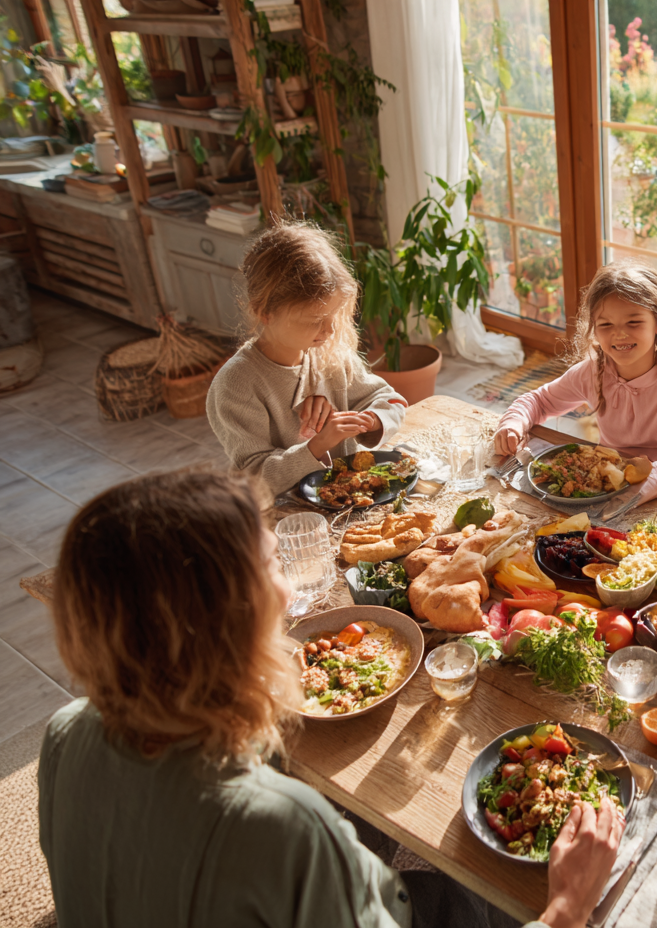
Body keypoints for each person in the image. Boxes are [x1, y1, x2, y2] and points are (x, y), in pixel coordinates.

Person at [39, 470, 624, 928]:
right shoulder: (283, 825)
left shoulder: (65, 732)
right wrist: (566, 909)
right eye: (273, 564)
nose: (293, 585)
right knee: (484, 881)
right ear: (229, 623)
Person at [207, 223, 406, 494]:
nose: (330, 330)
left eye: (334, 315)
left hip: (350, 501)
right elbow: (253, 480)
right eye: (314, 320)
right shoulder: (236, 384)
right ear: (265, 312)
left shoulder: (330, 351)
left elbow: (390, 400)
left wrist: (368, 419)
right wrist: (318, 444)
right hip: (289, 520)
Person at [494, 261, 657, 501]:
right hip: (607, 491)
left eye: (633, 322)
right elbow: (539, 401)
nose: (620, 333)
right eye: (605, 324)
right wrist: (514, 423)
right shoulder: (594, 371)